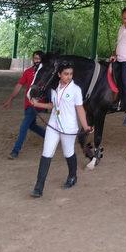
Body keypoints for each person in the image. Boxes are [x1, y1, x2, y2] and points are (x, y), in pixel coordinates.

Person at [29, 61, 92, 198]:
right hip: (53, 125)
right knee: (46, 153)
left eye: (70, 74)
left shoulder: (76, 90)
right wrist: (38, 103)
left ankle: (72, 176)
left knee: (68, 153)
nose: (69, 76)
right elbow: (53, 105)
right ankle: (38, 187)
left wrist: (86, 126)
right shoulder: (54, 88)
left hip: (68, 127)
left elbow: (79, 109)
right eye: (66, 74)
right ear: (59, 74)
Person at [2, 51, 46, 159]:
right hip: (28, 103)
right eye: (35, 58)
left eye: (39, 59)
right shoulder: (28, 72)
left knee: (24, 126)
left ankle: (15, 151)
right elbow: (19, 85)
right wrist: (10, 99)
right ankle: (50, 137)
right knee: (32, 125)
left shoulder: (46, 72)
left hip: (37, 104)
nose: (37, 61)